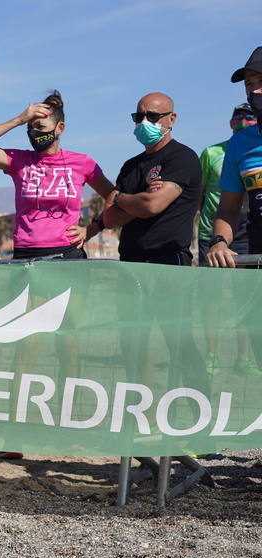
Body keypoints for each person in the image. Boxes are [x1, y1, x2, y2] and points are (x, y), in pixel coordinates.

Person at [0, 91, 116, 259]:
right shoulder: (19, 160)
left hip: (67, 253)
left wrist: (92, 229)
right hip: (25, 254)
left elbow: (115, 197)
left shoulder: (83, 163)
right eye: (30, 128)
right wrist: (19, 120)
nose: (34, 132)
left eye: (41, 127)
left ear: (60, 128)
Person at [101, 93, 201, 265]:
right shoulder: (130, 166)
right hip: (130, 262)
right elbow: (110, 219)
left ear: (172, 119)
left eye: (152, 116)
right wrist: (141, 199)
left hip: (168, 261)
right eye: (139, 117)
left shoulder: (182, 158)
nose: (144, 122)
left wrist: (119, 198)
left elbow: (151, 205)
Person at [195, 102, 255, 374]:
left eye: (248, 116)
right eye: (238, 116)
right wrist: (212, 235)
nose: (243, 120)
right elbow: (201, 192)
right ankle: (211, 355)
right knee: (212, 300)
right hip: (215, 234)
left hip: (249, 233)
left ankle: (244, 358)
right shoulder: (212, 152)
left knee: (247, 299)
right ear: (230, 122)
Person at [209, 47, 262, 267]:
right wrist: (219, 242)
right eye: (249, 84)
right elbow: (228, 209)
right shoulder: (239, 144)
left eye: (261, 81)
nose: (255, 91)